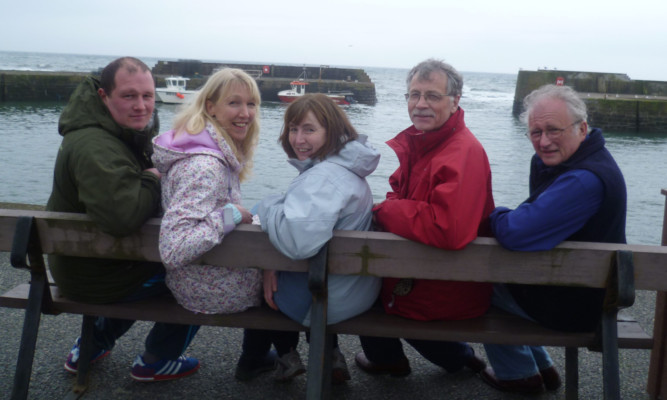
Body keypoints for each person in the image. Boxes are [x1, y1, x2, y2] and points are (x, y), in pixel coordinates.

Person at [46, 57, 200, 381]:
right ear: (104, 97)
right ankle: (158, 359)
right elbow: (122, 217)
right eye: (129, 96)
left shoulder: (110, 133)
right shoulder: (95, 147)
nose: (142, 106)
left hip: (85, 263)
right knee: (201, 275)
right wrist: (153, 178)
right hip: (93, 276)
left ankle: (90, 345)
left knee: (145, 263)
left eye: (147, 96)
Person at [480, 84, 627, 394]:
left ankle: (517, 373)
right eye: (535, 132)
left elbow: (516, 232)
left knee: (476, 282)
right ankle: (542, 367)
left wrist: (493, 215)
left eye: (553, 130)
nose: (543, 142)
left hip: (575, 307)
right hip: (581, 292)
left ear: (582, 128)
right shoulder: (584, 160)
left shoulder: (582, 181)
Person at [354, 59, 494, 378]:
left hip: (446, 288)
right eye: (414, 95)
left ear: (455, 100)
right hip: (435, 277)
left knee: (358, 290)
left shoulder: (461, 152)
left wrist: (383, 211)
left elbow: (448, 228)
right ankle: (458, 357)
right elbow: (399, 190)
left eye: (432, 96)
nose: (420, 104)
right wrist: (391, 207)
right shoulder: (429, 144)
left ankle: (391, 359)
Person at [151, 68, 278, 381]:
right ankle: (261, 357)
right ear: (210, 107)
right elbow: (174, 248)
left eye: (251, 104)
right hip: (208, 289)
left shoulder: (199, 149)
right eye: (234, 103)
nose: (246, 113)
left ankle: (259, 356)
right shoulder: (205, 167)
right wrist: (232, 216)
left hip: (196, 279)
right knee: (293, 273)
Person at [256, 93, 382, 384]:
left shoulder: (325, 177)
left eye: (309, 130)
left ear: (333, 131)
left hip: (325, 299)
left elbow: (298, 243)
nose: (298, 139)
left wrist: (268, 206)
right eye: (293, 129)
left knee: (254, 281)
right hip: (355, 289)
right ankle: (331, 356)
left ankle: (278, 357)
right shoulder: (348, 168)